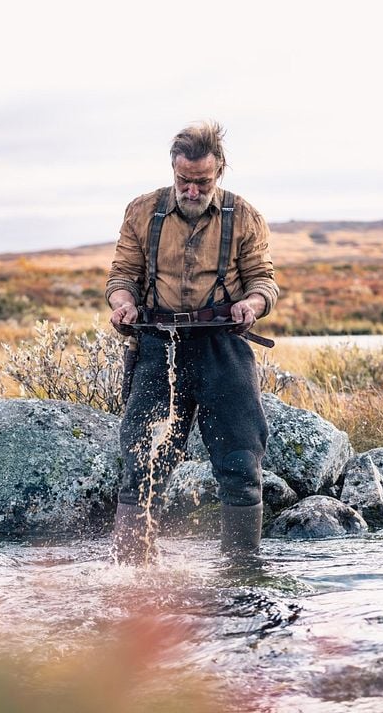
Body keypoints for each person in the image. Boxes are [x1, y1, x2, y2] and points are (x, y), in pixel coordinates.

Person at [106, 121, 279, 563]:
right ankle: (133, 574)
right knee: (142, 462)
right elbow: (121, 275)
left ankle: (241, 574)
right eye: (184, 179)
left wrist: (252, 305)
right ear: (173, 170)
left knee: (241, 464)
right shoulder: (142, 212)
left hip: (223, 347)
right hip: (157, 347)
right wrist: (123, 304)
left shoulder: (245, 217)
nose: (192, 189)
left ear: (218, 171)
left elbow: (263, 281)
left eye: (202, 181)